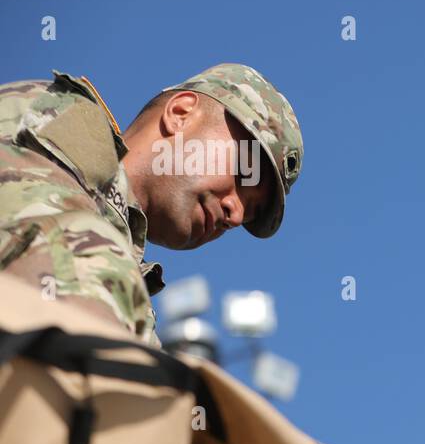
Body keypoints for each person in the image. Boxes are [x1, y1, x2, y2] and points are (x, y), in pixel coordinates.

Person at [0, 64, 302, 345]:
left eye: (249, 213)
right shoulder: (56, 121)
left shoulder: (129, 288)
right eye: (242, 174)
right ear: (181, 113)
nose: (235, 215)